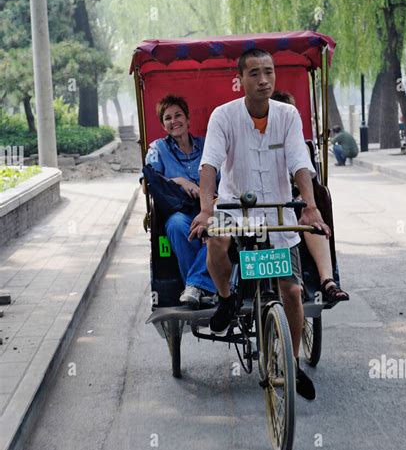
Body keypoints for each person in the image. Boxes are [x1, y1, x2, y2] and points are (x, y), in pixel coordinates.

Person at [189, 48, 332, 401]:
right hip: (234, 207)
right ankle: (225, 299)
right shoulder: (224, 117)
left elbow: (300, 162)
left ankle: (292, 361)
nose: (263, 79)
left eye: (268, 72)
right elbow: (210, 165)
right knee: (218, 241)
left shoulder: (288, 115)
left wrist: (310, 208)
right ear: (240, 80)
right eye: (254, 73)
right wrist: (207, 211)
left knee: (294, 292)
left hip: (278, 211)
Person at [271, 91, 349, 305]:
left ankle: (327, 281)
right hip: (264, 206)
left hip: (295, 201)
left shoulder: (300, 145)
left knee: (312, 222)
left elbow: (304, 179)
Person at [141, 95, 215, 307]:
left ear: (188, 118)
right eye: (168, 118)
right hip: (180, 210)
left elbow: (225, 175)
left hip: (211, 207)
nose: (174, 121)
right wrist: (181, 181)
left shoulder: (206, 145)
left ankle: (194, 286)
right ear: (163, 125)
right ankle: (200, 287)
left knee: (223, 228)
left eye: (178, 115)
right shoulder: (158, 149)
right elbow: (148, 183)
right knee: (176, 225)